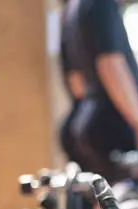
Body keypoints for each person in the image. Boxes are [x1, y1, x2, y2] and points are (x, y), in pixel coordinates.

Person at [63, 0, 138, 183]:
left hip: (85, 122)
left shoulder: (71, 10)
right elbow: (109, 64)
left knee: (99, 206)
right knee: (122, 205)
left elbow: (77, 83)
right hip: (112, 128)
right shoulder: (102, 3)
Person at [58, 0, 86, 163]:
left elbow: (76, 84)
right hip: (100, 128)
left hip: (77, 120)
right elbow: (109, 64)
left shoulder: (68, 14)